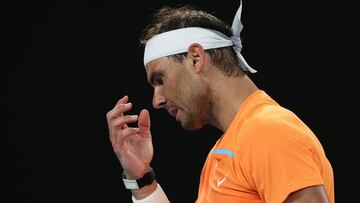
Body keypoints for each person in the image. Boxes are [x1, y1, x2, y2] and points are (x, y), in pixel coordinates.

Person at [105, 1, 334, 202]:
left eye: (160, 79)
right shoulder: (229, 147)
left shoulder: (268, 131)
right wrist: (142, 181)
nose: (157, 100)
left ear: (195, 58)